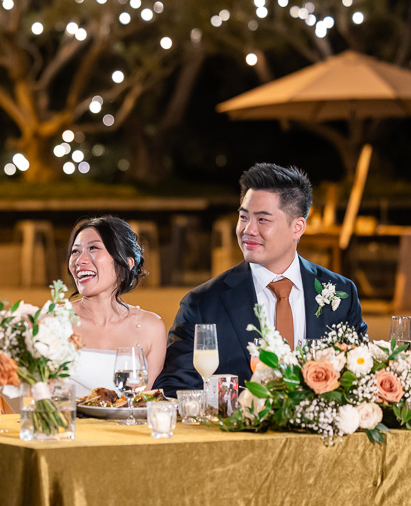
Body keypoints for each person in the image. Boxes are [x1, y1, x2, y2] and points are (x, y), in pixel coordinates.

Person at [153, 163, 368, 397]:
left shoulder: (340, 293)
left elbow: (361, 373)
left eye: (262, 220)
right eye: (243, 217)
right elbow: (173, 389)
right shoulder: (203, 303)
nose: (248, 230)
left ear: (297, 228)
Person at [66, 216, 168, 396]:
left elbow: (147, 404)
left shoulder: (150, 328)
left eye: (93, 248)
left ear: (126, 263)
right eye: (75, 251)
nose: (80, 260)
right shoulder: (54, 321)